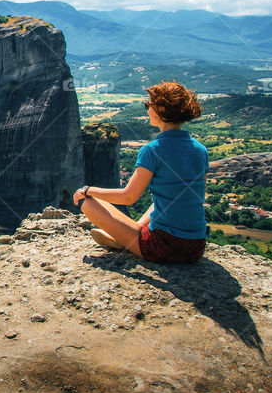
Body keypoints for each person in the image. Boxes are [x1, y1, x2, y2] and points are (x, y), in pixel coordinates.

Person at [72, 81, 209, 264]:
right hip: (196, 248)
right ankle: (129, 236)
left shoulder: (152, 150)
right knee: (164, 200)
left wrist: (88, 190)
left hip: (163, 247)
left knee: (86, 203)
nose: (147, 110)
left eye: (148, 105)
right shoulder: (201, 150)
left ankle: (127, 239)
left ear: (161, 109)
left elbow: (127, 197)